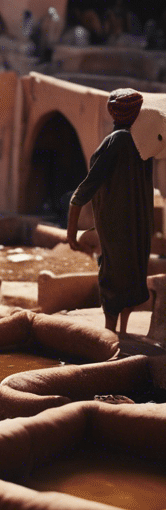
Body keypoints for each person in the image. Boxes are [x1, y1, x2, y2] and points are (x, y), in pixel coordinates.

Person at [67, 89, 155, 333]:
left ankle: (110, 335)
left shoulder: (116, 141)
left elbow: (85, 188)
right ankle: (122, 335)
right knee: (133, 276)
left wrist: (71, 231)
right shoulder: (142, 142)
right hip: (139, 224)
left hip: (117, 226)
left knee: (112, 278)